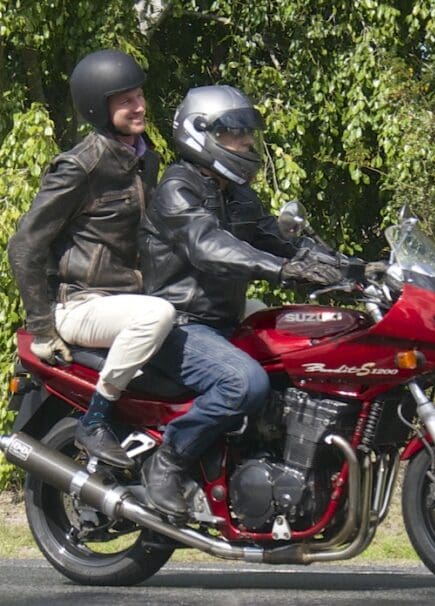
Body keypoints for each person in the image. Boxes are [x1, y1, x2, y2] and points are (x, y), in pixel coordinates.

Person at [139, 85, 342, 516]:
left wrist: (357, 269)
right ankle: (169, 459)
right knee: (243, 382)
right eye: (235, 132)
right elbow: (208, 245)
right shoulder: (178, 189)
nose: (247, 142)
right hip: (180, 325)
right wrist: (281, 271)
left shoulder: (237, 194)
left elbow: (283, 244)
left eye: (249, 132)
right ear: (201, 133)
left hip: (224, 324)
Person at [7, 49, 176, 469]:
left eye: (139, 96)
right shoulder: (81, 166)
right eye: (125, 101)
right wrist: (43, 328)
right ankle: (95, 420)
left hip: (124, 299)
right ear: (99, 109)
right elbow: (25, 245)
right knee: (156, 315)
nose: (138, 106)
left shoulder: (143, 158)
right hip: (80, 303)